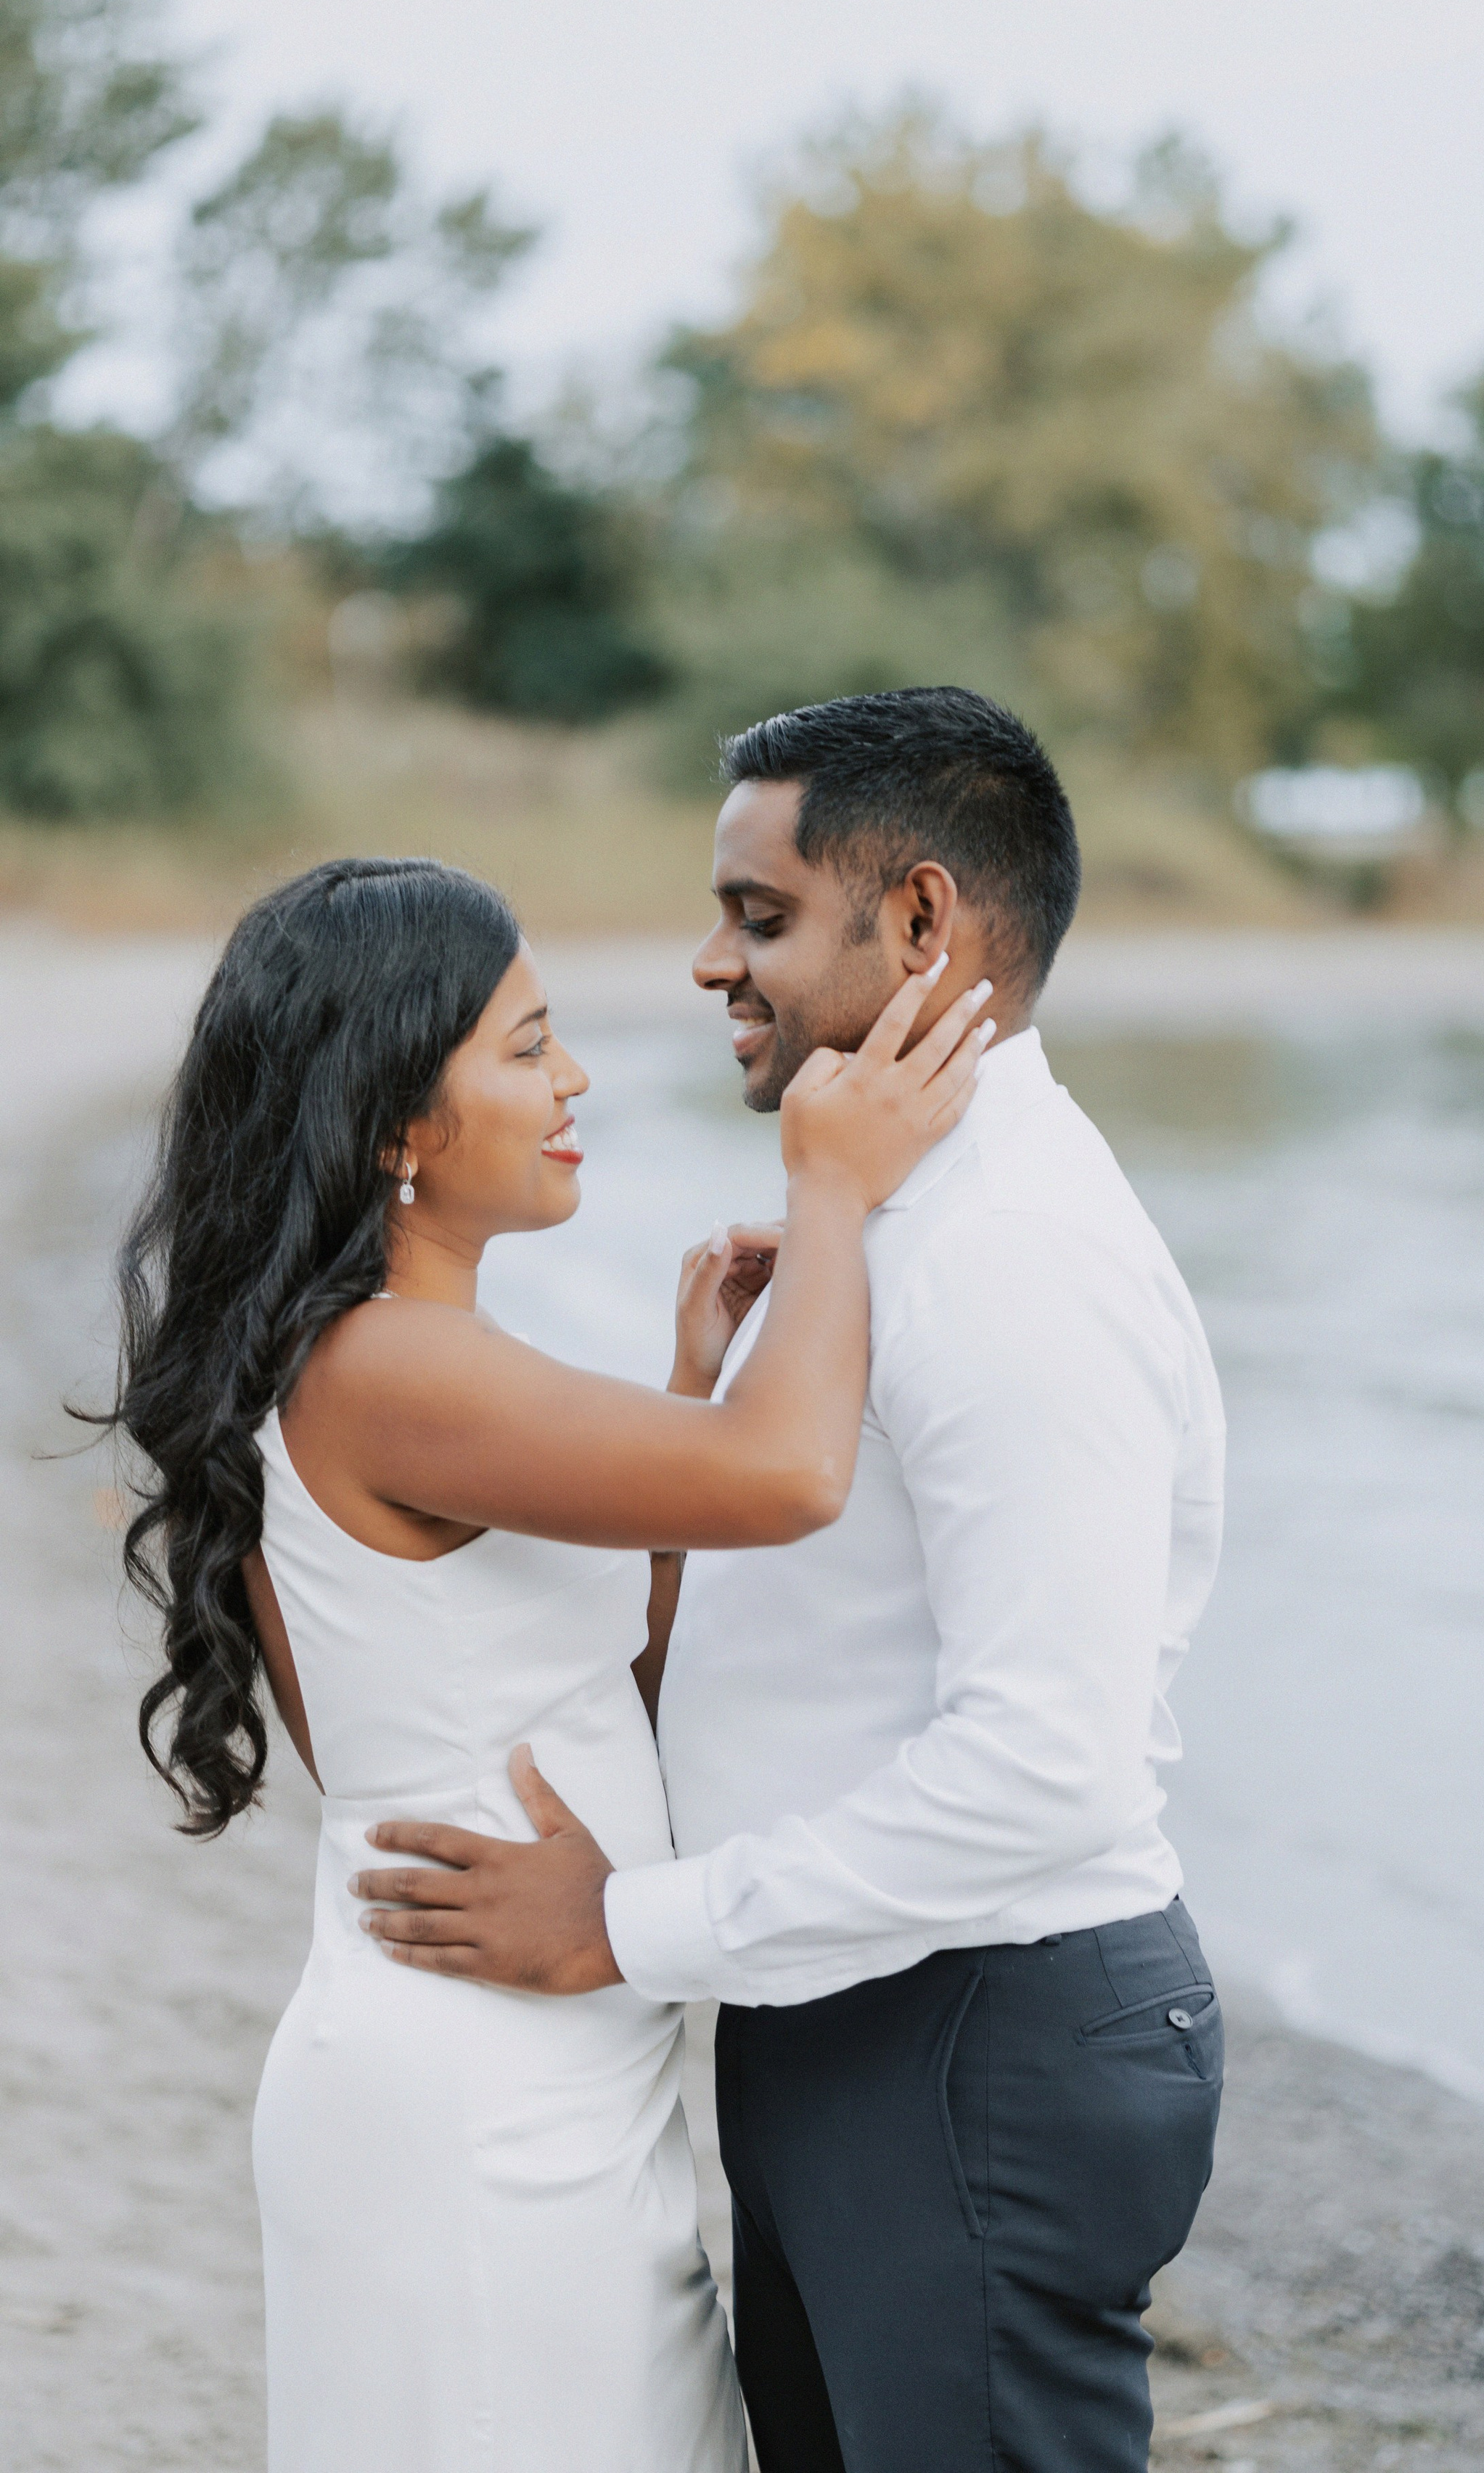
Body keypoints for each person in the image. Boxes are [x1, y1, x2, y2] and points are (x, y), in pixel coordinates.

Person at [354, 690, 1229, 2473]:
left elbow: (1046, 1770)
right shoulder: (883, 1230)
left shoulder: (999, 1257)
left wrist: (624, 1928)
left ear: (919, 920)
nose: (705, 966)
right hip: (860, 2012)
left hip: (975, 2028)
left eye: (755, 918)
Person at [102, 852, 992, 2473]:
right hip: (472, 2092)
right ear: (390, 1123)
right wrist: (832, 1188)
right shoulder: (383, 1365)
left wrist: (678, 1389)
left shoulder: (413, 1361)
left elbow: (594, 1693)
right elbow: (790, 1476)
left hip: (549, 2063)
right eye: (524, 1048)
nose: (572, 1078)